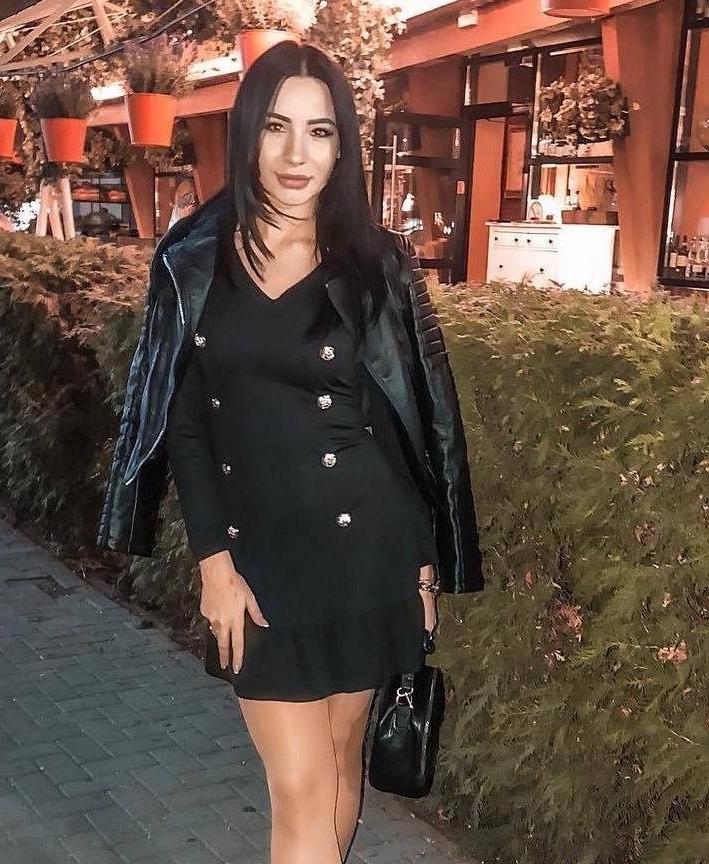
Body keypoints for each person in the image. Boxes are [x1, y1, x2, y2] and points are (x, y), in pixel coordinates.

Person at [96, 42, 482, 864]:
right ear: (247, 134)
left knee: (340, 767)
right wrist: (213, 562)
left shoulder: (377, 262)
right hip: (260, 563)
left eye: (320, 131)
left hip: (370, 551)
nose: (297, 153)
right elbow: (186, 426)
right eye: (277, 127)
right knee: (300, 786)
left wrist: (424, 562)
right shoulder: (194, 260)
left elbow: (415, 423)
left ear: (344, 147)